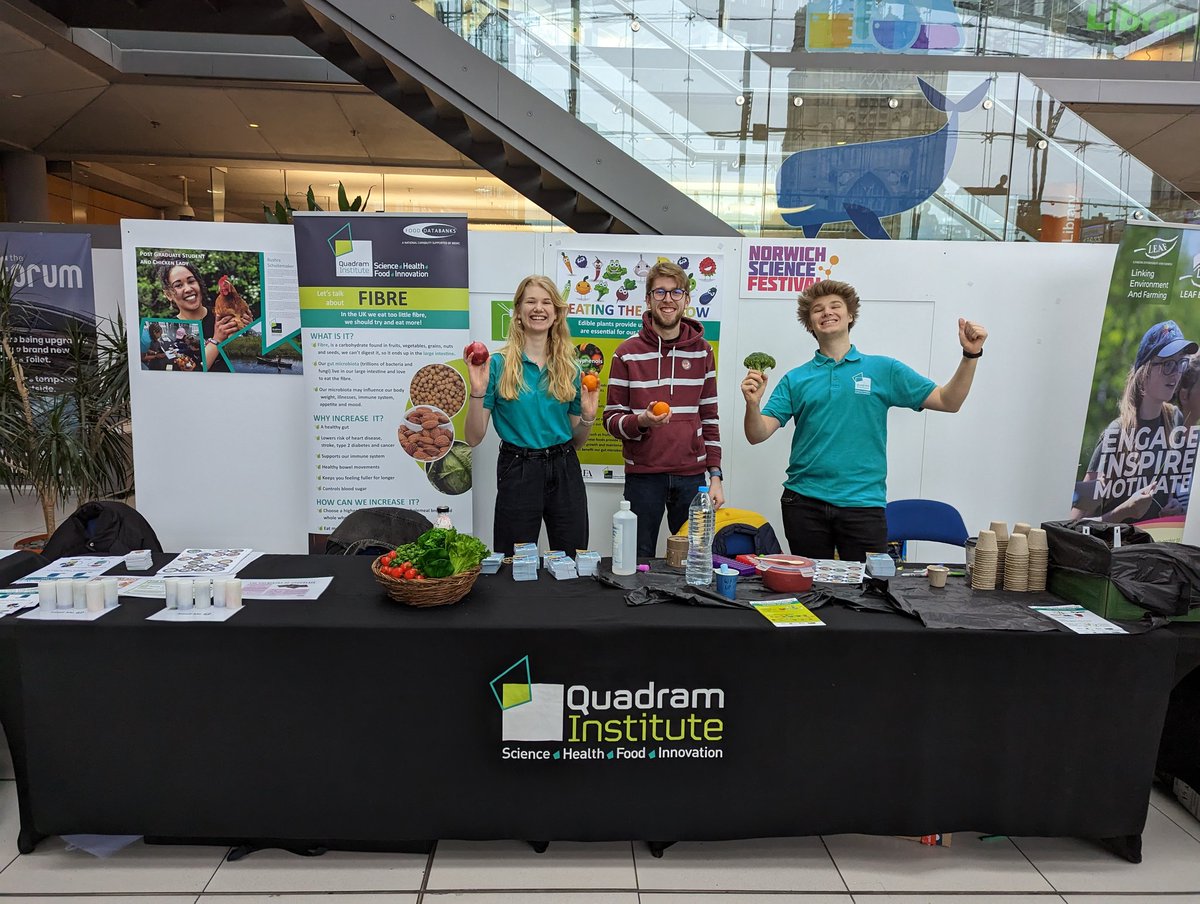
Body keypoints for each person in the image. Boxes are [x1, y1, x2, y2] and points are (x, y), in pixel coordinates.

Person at [741, 278, 987, 561]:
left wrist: (971, 354)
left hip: (864, 504)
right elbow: (757, 434)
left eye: (835, 306)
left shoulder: (884, 369)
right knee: (811, 590)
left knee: (869, 593)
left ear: (850, 316)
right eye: (818, 309)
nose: (827, 312)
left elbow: (949, 401)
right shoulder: (795, 378)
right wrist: (752, 404)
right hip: (803, 502)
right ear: (809, 323)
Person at [464, 275, 599, 556]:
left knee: (573, 557)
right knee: (514, 561)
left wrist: (587, 417)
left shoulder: (570, 367)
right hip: (519, 468)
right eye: (531, 302)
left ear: (556, 313)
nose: (539, 308)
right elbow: (474, 437)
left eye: (546, 302)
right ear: (518, 312)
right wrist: (477, 391)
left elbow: (577, 441)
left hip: (564, 467)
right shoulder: (497, 365)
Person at [603, 260, 723, 557]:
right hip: (643, 475)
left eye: (675, 292)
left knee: (693, 559)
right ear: (647, 299)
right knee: (635, 558)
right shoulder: (626, 352)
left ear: (686, 300)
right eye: (660, 292)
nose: (668, 299)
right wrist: (641, 421)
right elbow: (610, 419)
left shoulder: (703, 351)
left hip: (693, 477)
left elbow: (709, 416)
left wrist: (716, 476)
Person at [1071, 320, 1199, 523]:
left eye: (1180, 363)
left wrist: (1174, 507)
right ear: (1145, 370)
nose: (1175, 373)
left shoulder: (1175, 419)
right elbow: (1073, 527)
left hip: (1156, 551)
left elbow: (1170, 488)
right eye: (1168, 364)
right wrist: (1125, 511)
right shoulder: (1116, 434)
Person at [157, 263, 238, 373]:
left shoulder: (221, 315)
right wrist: (217, 340)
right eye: (178, 285)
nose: (188, 289)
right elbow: (192, 370)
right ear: (168, 295)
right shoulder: (172, 329)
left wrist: (245, 329)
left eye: (191, 281)